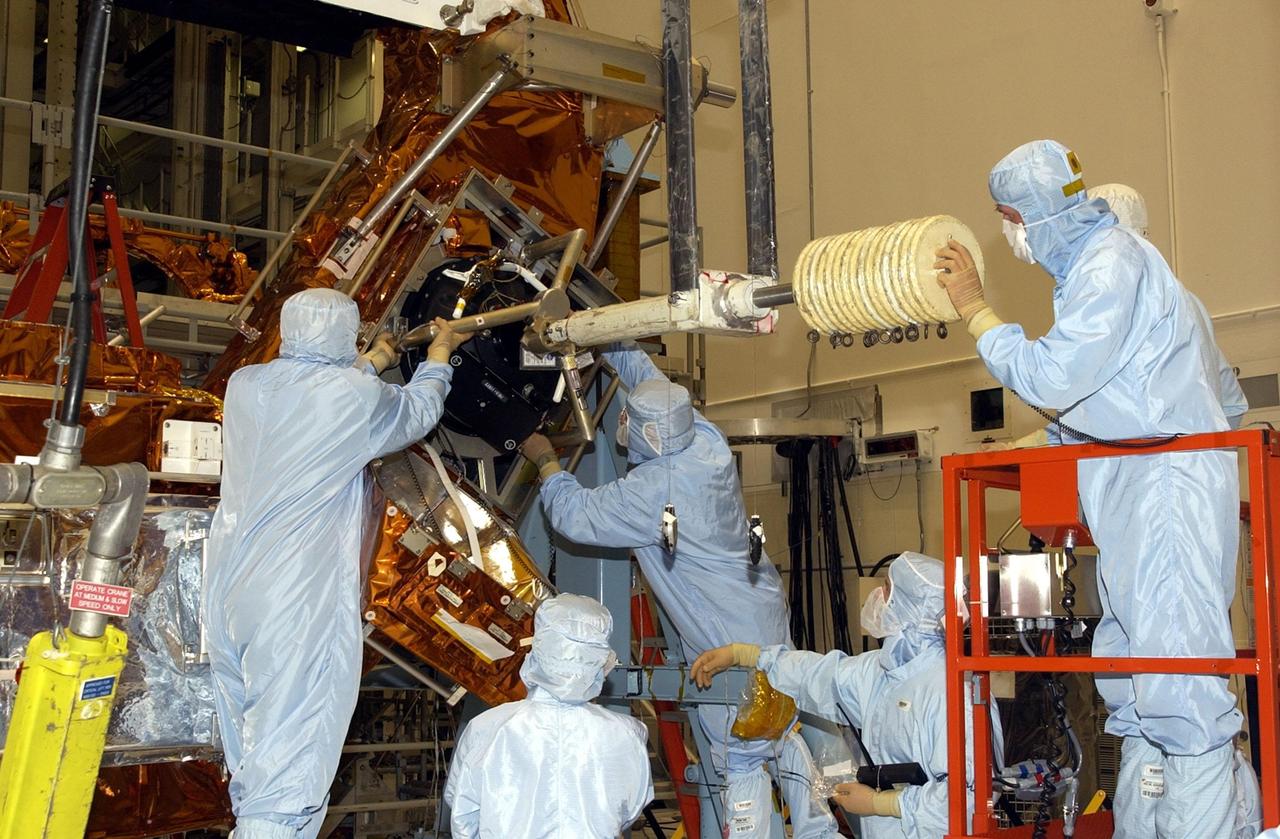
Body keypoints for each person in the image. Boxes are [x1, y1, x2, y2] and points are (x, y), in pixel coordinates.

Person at [934, 139, 1249, 839]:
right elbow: (1099, 404)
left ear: (1038, 213)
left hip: (1166, 492)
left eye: (1009, 217)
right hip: (1135, 488)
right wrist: (1029, 447)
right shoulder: (1087, 274)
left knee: (1178, 685)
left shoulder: (1111, 264)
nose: (1009, 233)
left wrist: (976, 309)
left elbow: (1053, 376)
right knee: (1136, 679)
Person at [521, 344, 840, 838]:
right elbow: (651, 382)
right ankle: (822, 832)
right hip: (762, 612)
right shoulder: (704, 440)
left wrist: (545, 462)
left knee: (741, 755)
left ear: (647, 433)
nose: (622, 421)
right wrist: (607, 337)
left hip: (723, 641)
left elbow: (573, 516)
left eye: (628, 418)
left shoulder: (652, 490)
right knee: (780, 727)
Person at [205, 288, 467, 839]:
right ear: (344, 334)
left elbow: (319, 397)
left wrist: (372, 361)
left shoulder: (245, 385)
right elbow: (415, 412)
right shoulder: (350, 395)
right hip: (300, 600)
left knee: (256, 748)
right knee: (291, 766)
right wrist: (441, 355)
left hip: (233, 588)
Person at [690, 553, 1000, 839]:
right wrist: (747, 655)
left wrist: (882, 804)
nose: (877, 597)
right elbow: (820, 676)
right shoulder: (883, 672)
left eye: (887, 589)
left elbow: (970, 799)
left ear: (911, 607)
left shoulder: (953, 691)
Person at [443, 593, 653, 838]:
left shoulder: (487, 728)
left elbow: (462, 814)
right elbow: (631, 809)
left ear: (538, 649)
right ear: (601, 660)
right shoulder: (627, 734)